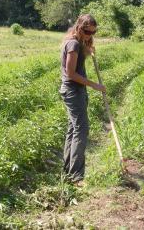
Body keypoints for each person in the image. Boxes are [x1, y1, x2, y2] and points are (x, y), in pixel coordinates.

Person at [59, 14, 106, 185]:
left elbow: (81, 54)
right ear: (80, 27)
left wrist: (89, 48)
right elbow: (71, 73)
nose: (89, 35)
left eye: (93, 32)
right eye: (87, 31)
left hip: (76, 91)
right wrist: (95, 85)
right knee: (81, 130)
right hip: (73, 91)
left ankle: (68, 171)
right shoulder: (73, 44)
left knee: (73, 129)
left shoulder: (79, 42)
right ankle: (76, 176)